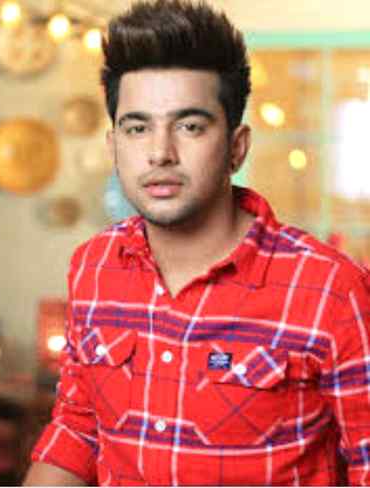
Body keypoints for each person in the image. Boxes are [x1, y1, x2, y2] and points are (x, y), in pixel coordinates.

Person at [24, 0, 370, 485]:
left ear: (236, 147)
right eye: (137, 127)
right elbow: (78, 428)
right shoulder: (94, 266)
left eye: (189, 126)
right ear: (114, 146)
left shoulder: (332, 288)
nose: (160, 153)